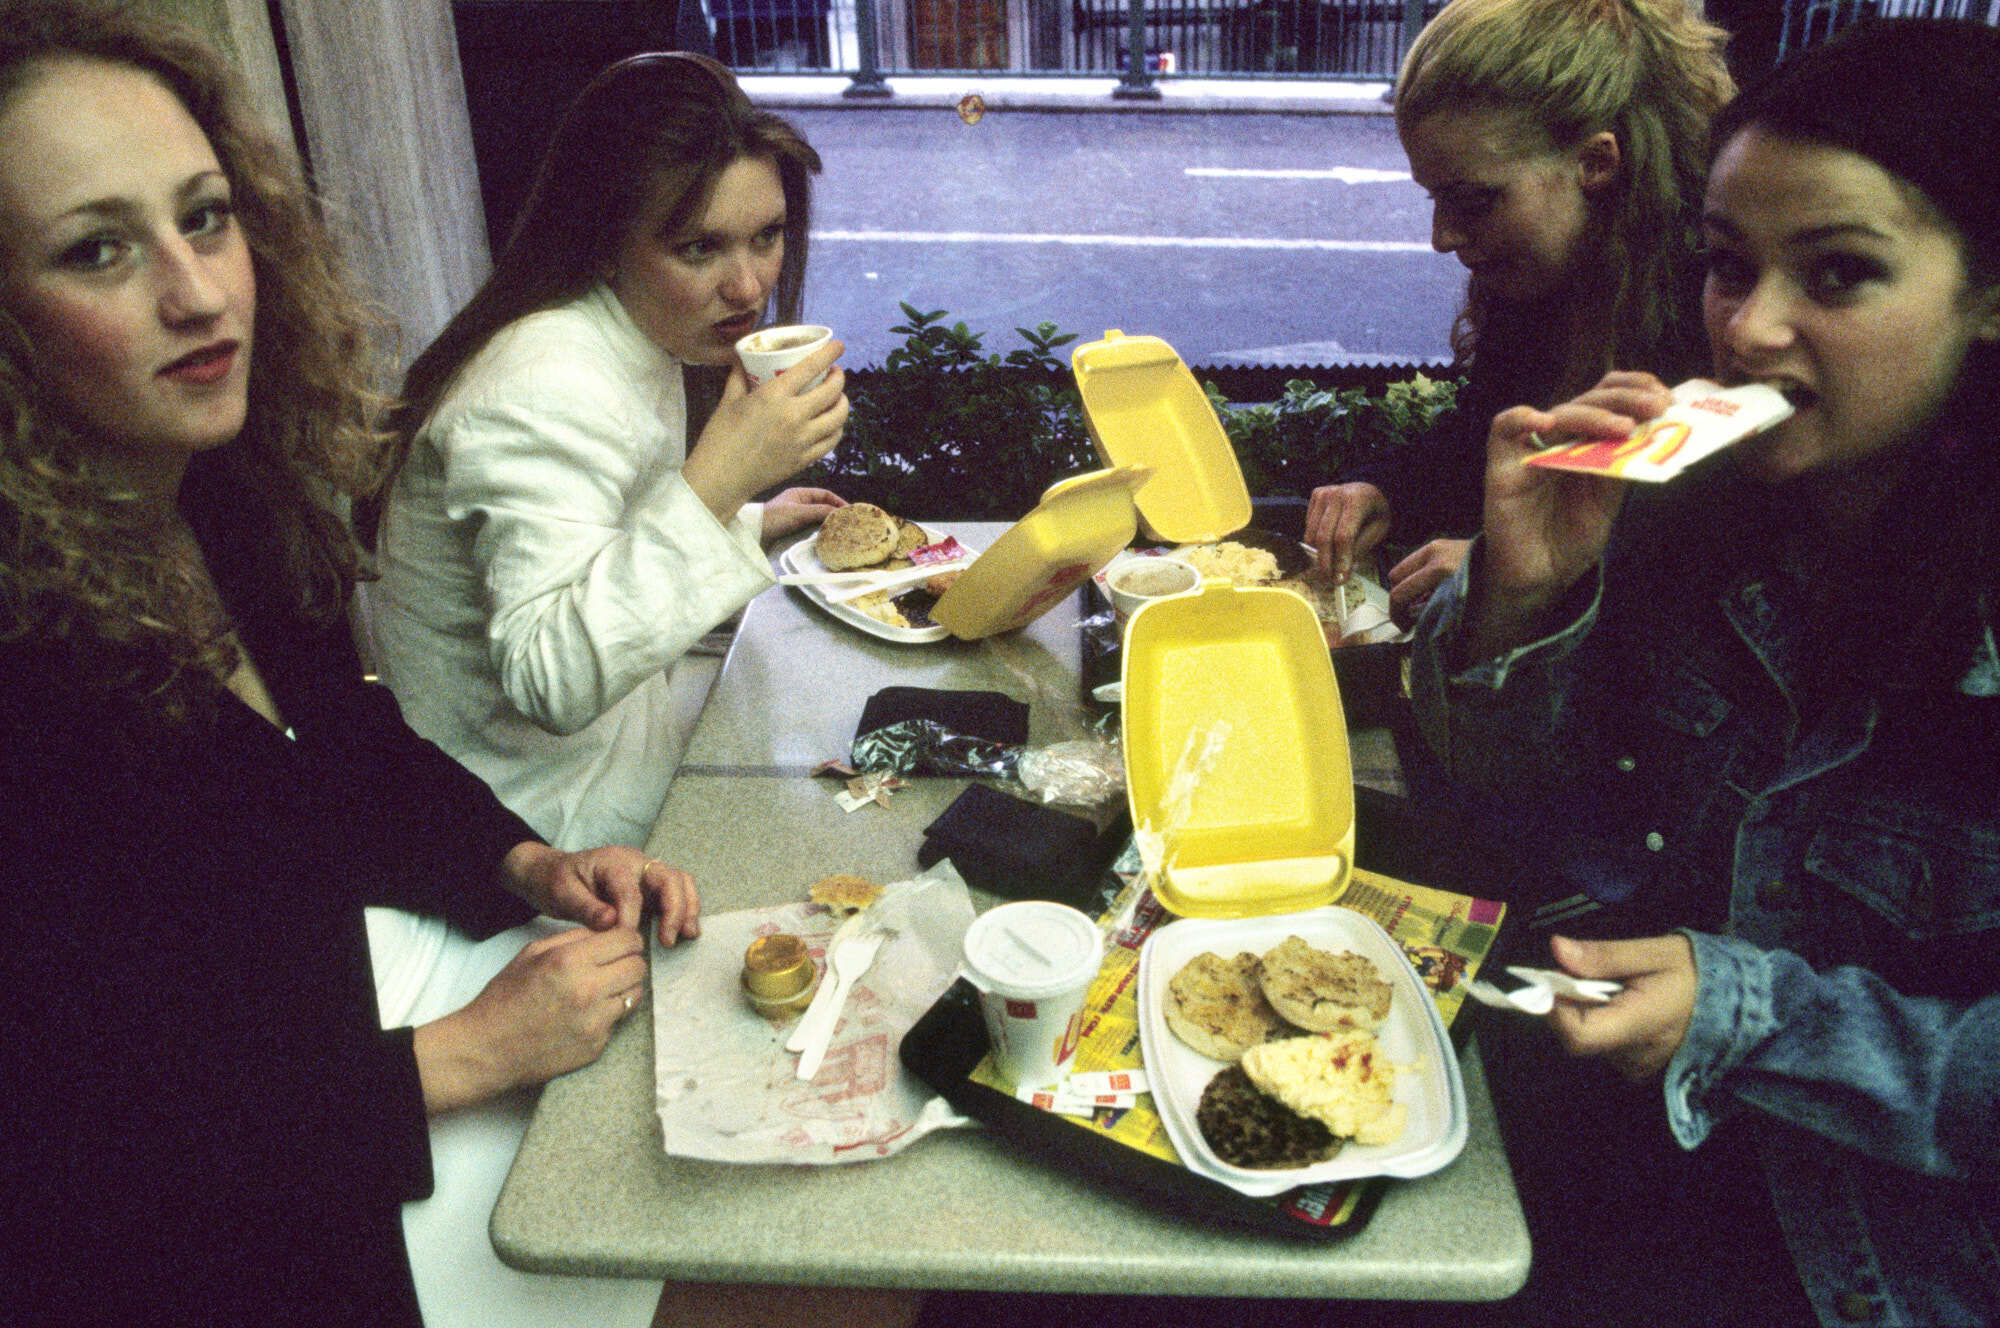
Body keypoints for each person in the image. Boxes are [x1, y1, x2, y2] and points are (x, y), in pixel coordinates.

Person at [0, 4, 703, 1324]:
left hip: (346, 1035)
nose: (197, 291)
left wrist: (527, 863)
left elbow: (350, 757)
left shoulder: (218, 501)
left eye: (204, 217)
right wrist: (454, 1059)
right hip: (241, 1239)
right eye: (98, 251)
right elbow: (63, 1149)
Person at [1407, 18, 2000, 1325]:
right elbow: (1518, 807)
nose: (1748, 330)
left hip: (1873, 1263)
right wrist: (1523, 599)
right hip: (1620, 1163)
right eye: (1729, 269)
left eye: (1837, 276)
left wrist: (1753, 1016)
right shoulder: (1700, 510)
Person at [361, 52, 850, 854]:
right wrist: (720, 479)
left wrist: (748, 511)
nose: (750, 287)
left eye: (766, 237)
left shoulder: (633, 331)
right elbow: (548, 675)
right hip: (540, 841)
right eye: (699, 249)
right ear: (601, 242)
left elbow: (598, 530)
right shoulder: (540, 387)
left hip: (612, 763)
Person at [1305, 0, 1732, 626]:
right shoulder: (1539, 285)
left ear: (1596, 162)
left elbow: (1717, 559)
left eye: (1473, 200)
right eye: (1434, 198)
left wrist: (1511, 572)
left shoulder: (1717, 310)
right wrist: (1388, 489)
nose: (1442, 237)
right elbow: (1491, 433)